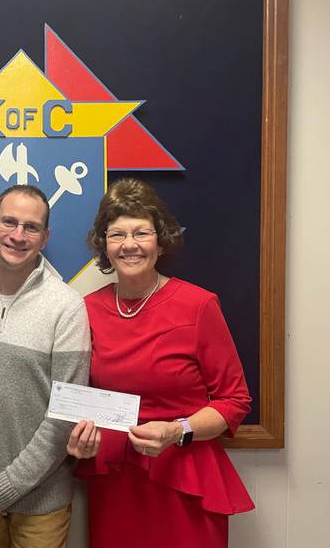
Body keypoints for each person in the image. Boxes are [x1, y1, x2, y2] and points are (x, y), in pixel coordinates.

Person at [68, 178, 254, 548]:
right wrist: (78, 437)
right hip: (116, 482)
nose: (130, 245)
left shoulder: (198, 306)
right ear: (104, 244)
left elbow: (235, 402)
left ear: (160, 239)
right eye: (117, 234)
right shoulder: (85, 310)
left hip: (183, 478)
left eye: (141, 232)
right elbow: (77, 396)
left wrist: (176, 430)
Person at [0, 185, 91, 548]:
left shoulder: (67, 307)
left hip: (42, 500)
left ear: (45, 237)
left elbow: (66, 415)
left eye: (31, 227)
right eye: (9, 222)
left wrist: (1, 490)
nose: (17, 235)